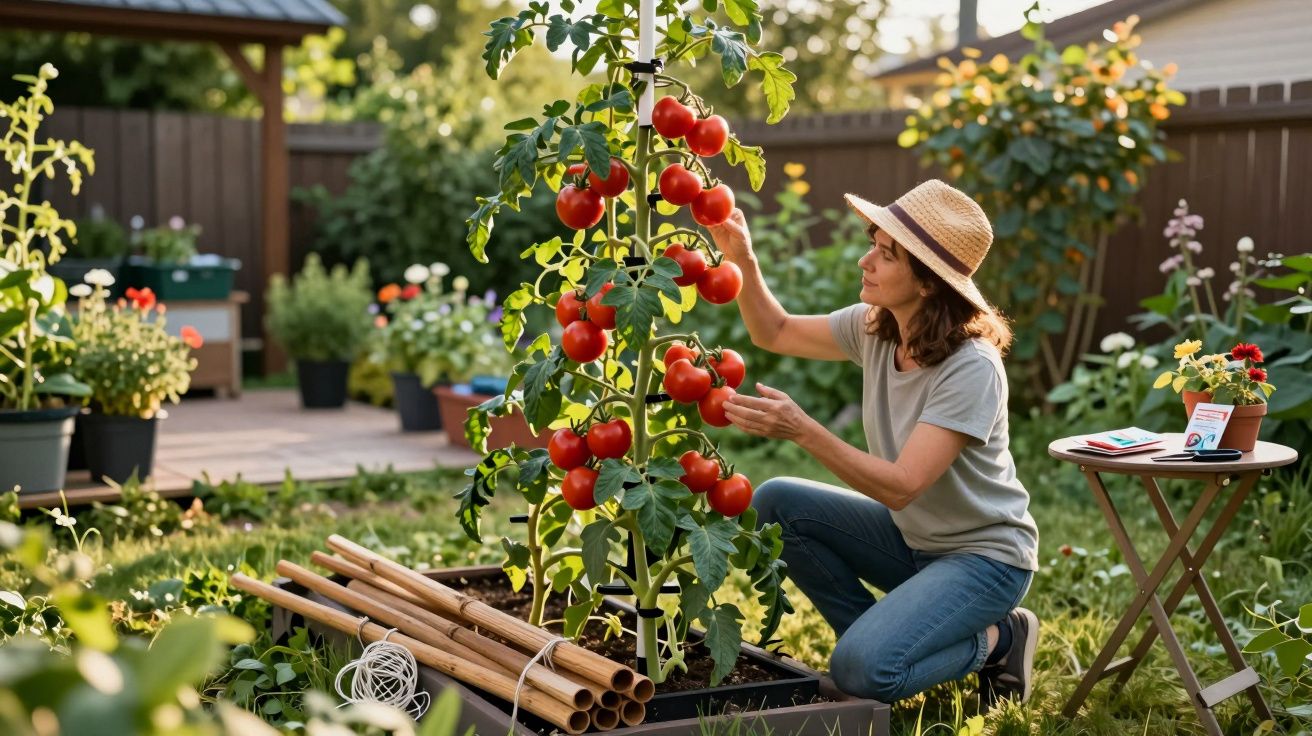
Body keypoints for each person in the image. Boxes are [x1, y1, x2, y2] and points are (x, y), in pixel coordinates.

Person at [704, 179, 1040, 705]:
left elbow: (903, 487)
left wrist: (803, 429)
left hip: (984, 560)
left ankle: (999, 640)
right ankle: (887, 645)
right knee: (777, 503)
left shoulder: (971, 367)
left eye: (885, 255)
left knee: (860, 673)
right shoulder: (878, 328)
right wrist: (742, 257)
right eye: (873, 244)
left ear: (928, 283)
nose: (866, 261)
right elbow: (776, 331)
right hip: (914, 541)